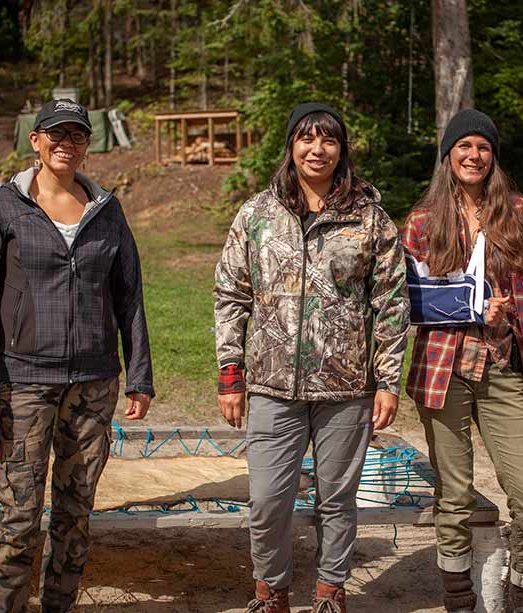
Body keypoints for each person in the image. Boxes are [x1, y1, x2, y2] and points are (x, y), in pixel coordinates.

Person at [0, 99, 154, 613]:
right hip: (22, 382)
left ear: (88, 143)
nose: (66, 143)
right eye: (55, 133)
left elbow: (129, 295)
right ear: (36, 140)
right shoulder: (5, 206)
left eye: (77, 135)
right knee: (20, 516)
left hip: (93, 383)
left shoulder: (107, 210)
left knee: (76, 514)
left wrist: (140, 376)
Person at [214, 102, 409, 613]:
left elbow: (390, 303)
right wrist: (230, 373)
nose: (317, 149)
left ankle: (329, 593)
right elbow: (230, 293)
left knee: (336, 501)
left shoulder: (369, 218)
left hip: (346, 390)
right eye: (306, 139)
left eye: (328, 140)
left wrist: (388, 380)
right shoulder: (257, 214)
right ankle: (271, 592)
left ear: (341, 149)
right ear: (291, 146)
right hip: (271, 388)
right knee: (267, 501)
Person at [403, 109, 523, 612]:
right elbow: (406, 301)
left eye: (484, 148)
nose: (474, 156)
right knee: (454, 497)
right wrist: (468, 304)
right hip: (442, 371)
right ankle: (458, 598)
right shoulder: (422, 221)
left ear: (493, 157)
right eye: (464, 147)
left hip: (502, 368)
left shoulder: (522, 214)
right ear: (448, 155)